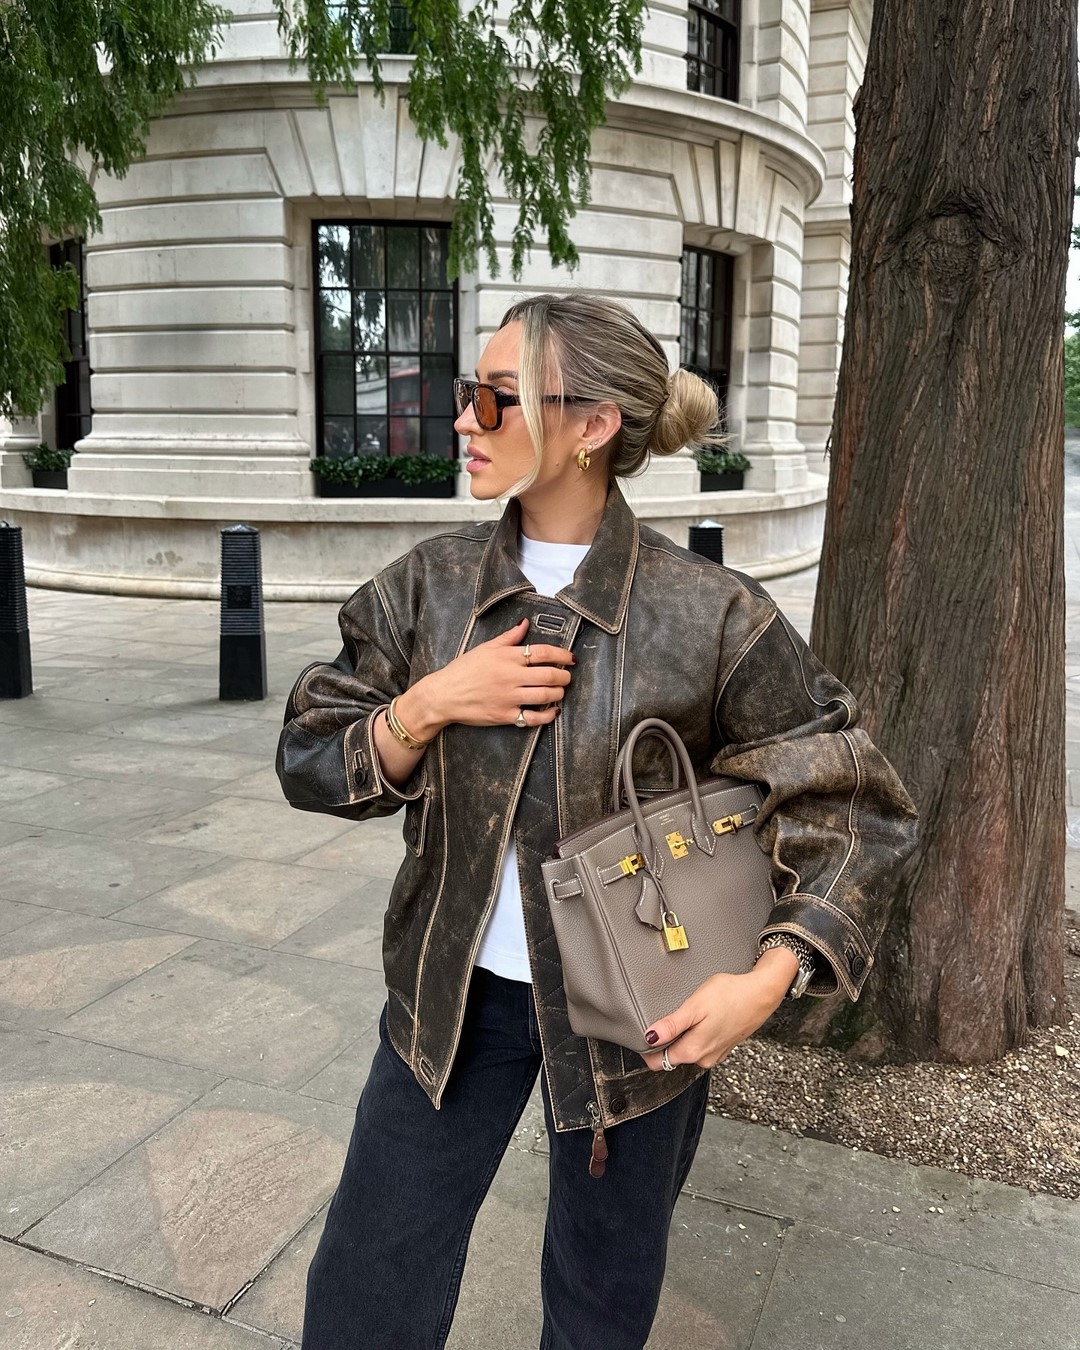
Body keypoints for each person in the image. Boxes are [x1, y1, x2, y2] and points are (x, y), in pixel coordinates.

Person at [276, 293, 920, 1350]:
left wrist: (766, 980)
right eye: (469, 393)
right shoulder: (428, 589)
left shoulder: (713, 614)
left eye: (496, 397)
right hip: (450, 1004)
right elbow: (311, 754)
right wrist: (428, 704)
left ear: (592, 425)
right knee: (366, 1282)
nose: (464, 418)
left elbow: (851, 802)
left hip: (643, 1020)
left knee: (599, 1305)